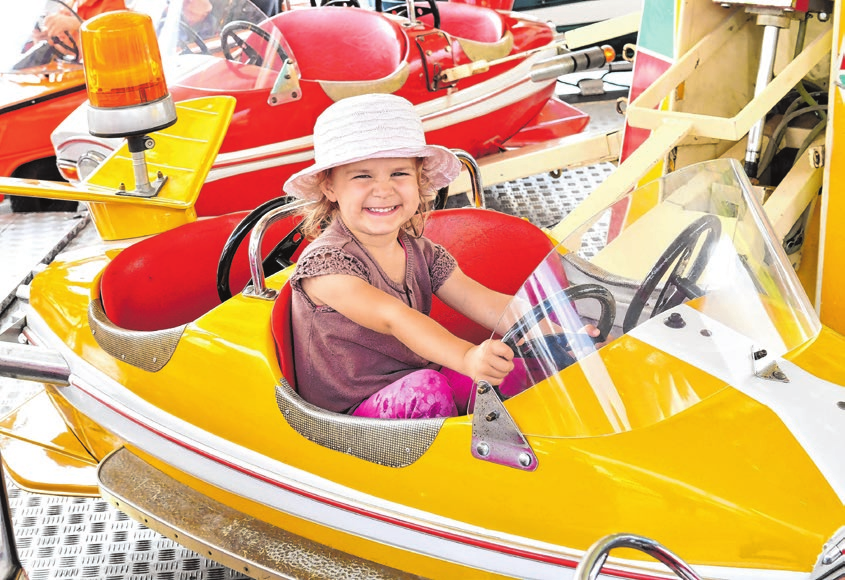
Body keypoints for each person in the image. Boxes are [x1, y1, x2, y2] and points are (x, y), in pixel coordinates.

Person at [284, 93, 523, 420]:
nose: (383, 190)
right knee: (427, 391)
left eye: (399, 173)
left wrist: (552, 322)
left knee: (518, 376)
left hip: (419, 379)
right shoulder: (326, 264)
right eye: (362, 176)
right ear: (330, 188)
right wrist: (467, 356)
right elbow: (393, 317)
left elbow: (486, 303)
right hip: (348, 414)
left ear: (420, 181)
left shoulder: (422, 253)